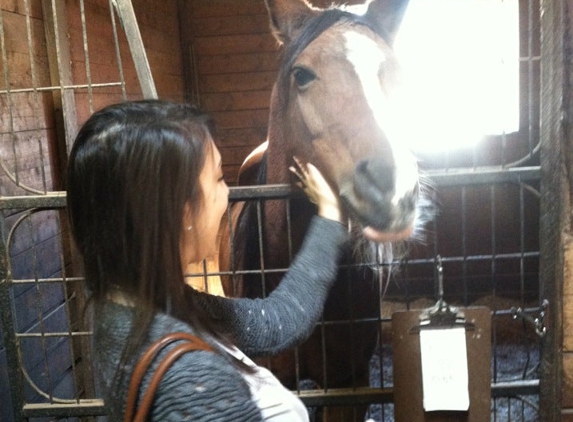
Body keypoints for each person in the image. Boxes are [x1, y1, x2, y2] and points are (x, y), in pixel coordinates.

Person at [66, 99, 348, 421]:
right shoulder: (195, 383)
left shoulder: (127, 306)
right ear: (181, 212)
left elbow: (276, 321)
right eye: (217, 179)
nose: (226, 194)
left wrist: (330, 217)